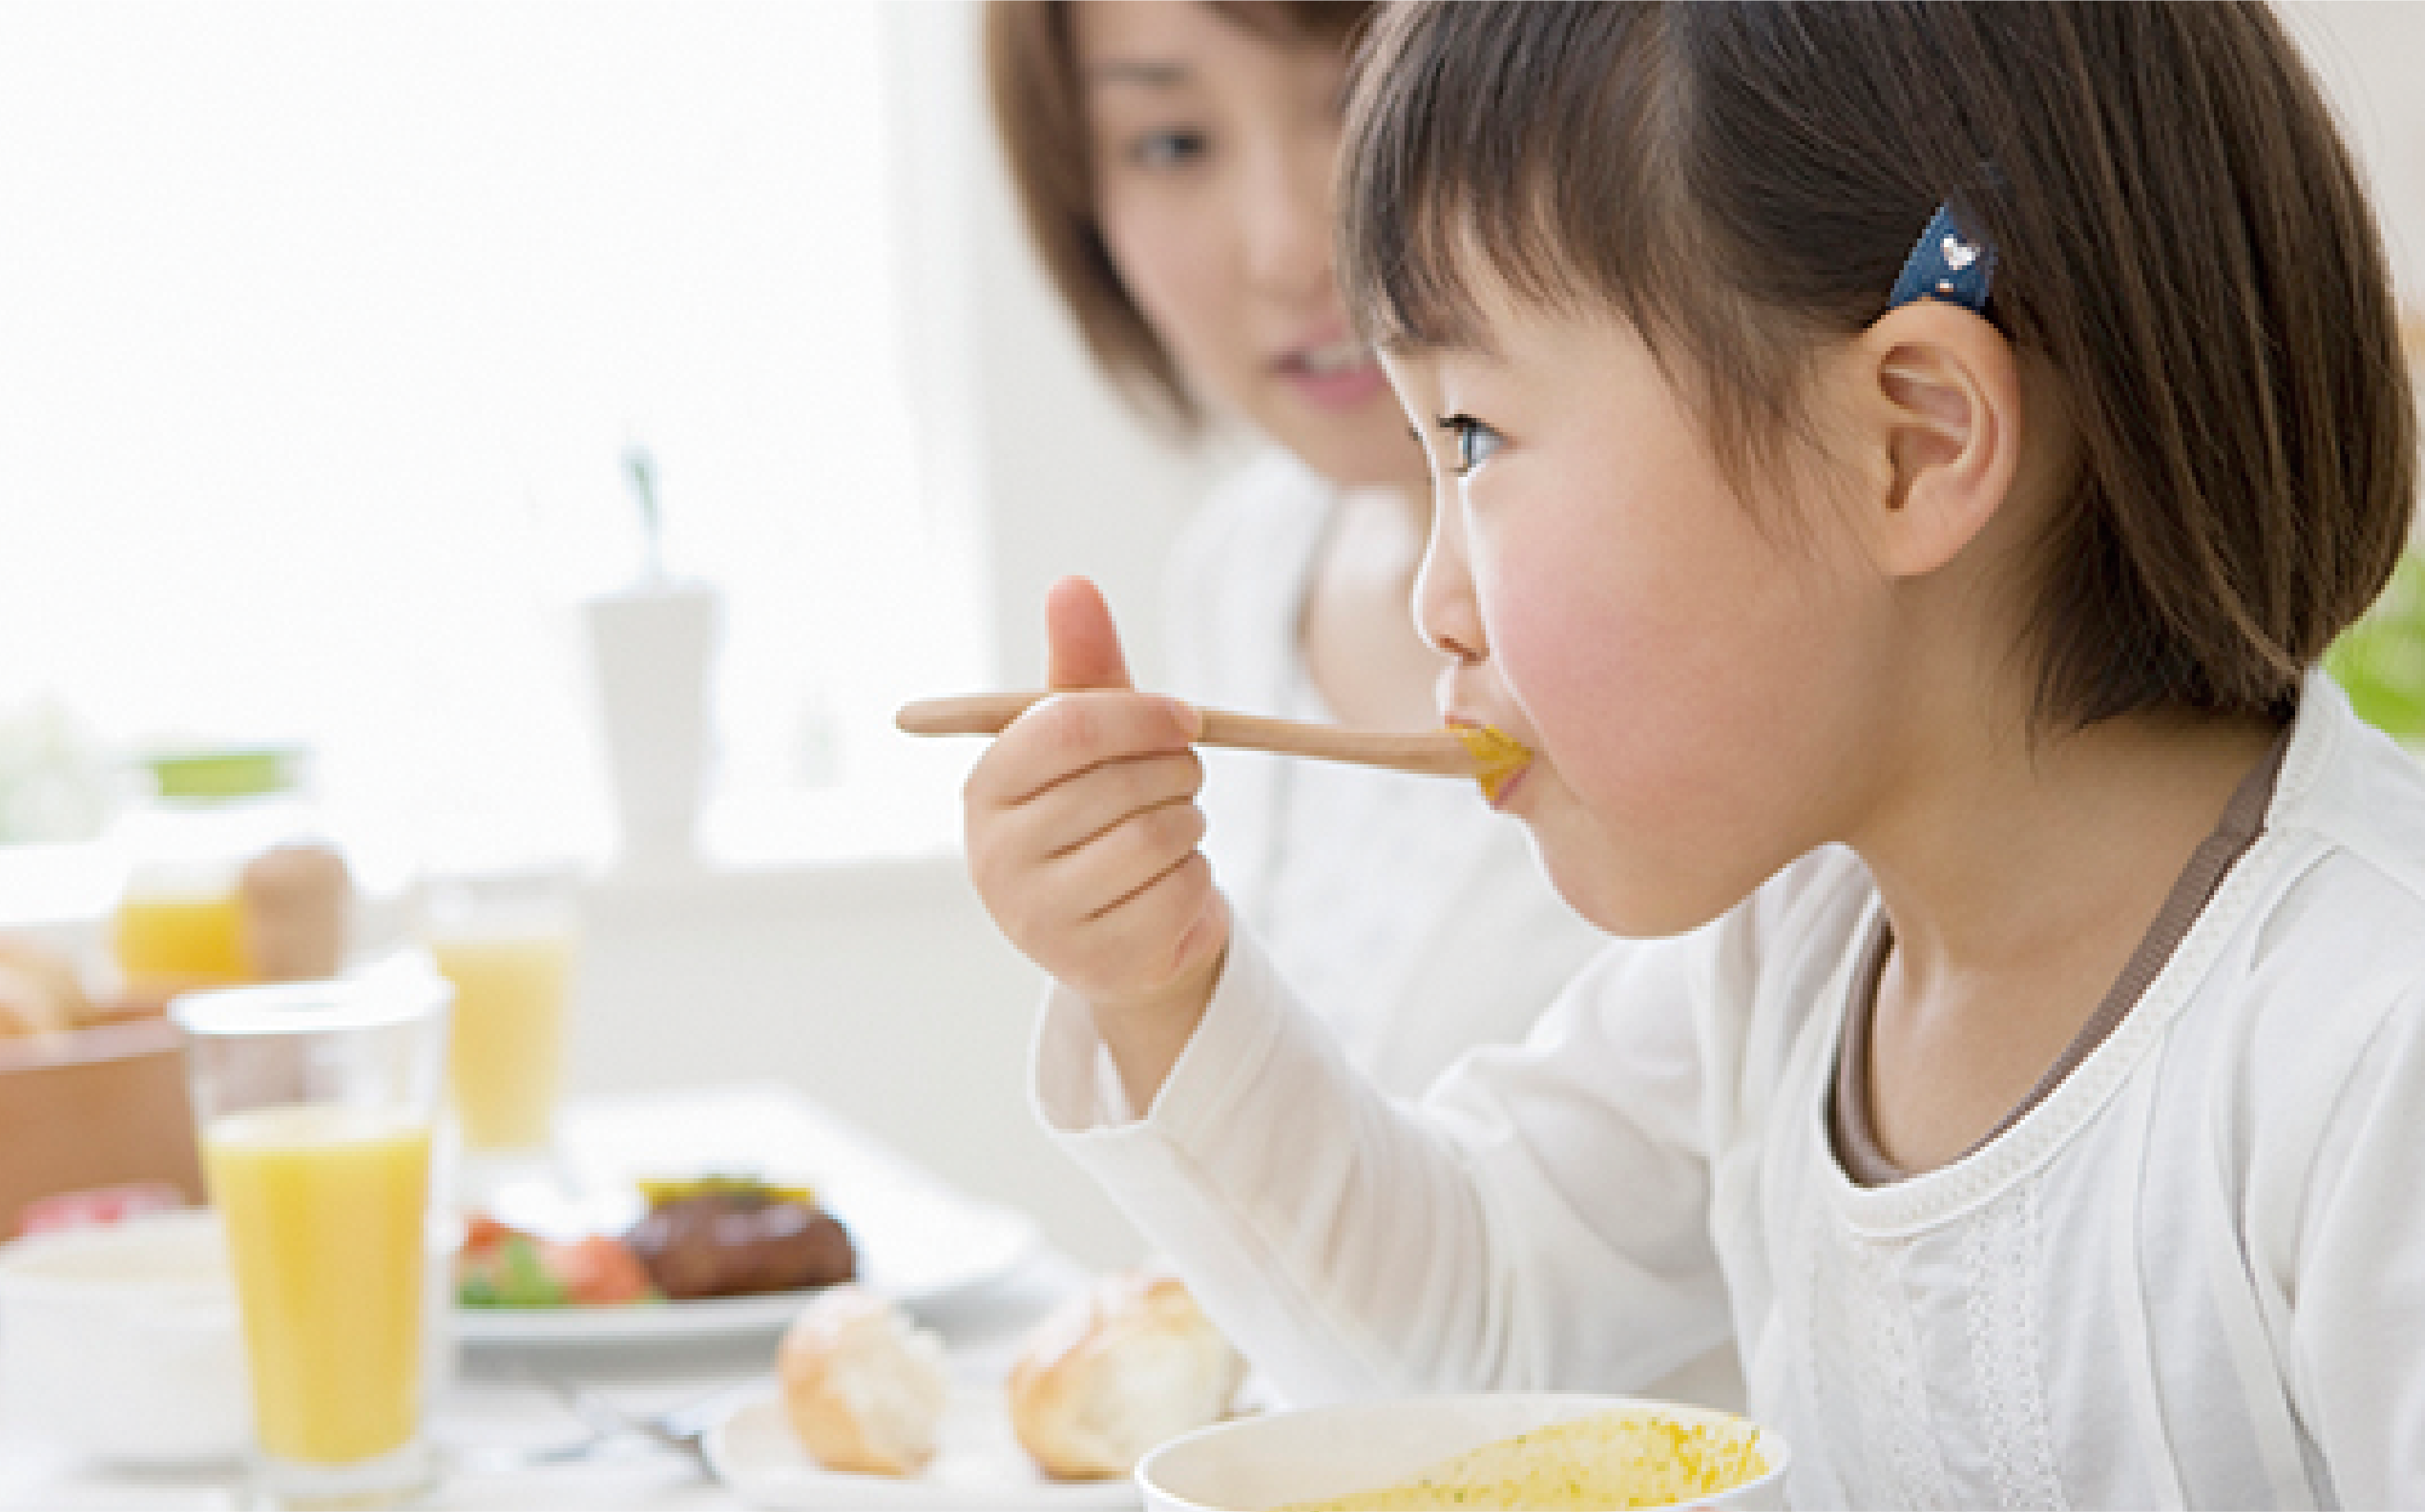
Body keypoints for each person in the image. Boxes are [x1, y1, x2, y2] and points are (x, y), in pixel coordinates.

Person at [957, 0, 2425, 1503]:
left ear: (1911, 445)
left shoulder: (2372, 1043)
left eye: (1473, 437)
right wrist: (1161, 980)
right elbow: (1458, 1338)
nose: (1434, 602)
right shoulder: (1796, 949)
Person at [983, 0, 1606, 1099]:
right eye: (1173, 144)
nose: (1291, 247)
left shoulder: (1726, 597)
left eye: (1367, 95)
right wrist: (1143, 991)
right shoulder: (1242, 567)